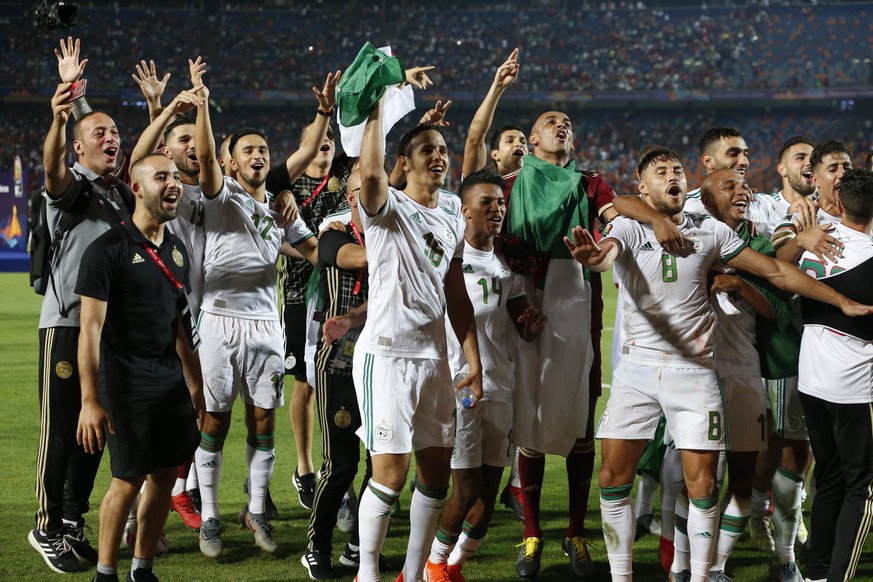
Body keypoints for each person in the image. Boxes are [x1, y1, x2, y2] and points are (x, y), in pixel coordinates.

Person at [564, 146, 873, 582]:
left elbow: (776, 272)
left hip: (695, 372)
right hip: (637, 368)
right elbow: (606, 252)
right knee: (613, 475)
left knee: (705, 485)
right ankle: (622, 576)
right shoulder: (630, 224)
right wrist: (593, 257)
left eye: (677, 169)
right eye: (661, 172)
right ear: (643, 186)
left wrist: (840, 300)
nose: (672, 175)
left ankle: (703, 574)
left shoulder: (709, 231)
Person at [353, 97, 482, 582]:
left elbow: (456, 294)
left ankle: (413, 573)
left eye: (443, 148)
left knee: (434, 475)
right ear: (403, 164)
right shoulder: (387, 206)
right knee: (390, 476)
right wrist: (375, 115)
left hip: (436, 360)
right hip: (386, 356)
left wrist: (472, 358)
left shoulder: (451, 215)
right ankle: (367, 573)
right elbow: (369, 177)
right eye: (427, 148)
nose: (440, 155)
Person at [192, 79, 318, 558]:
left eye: (263, 149)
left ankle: (257, 507)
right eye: (248, 150)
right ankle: (208, 518)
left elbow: (312, 252)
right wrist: (203, 106)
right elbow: (204, 163)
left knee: (264, 420)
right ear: (231, 162)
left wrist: (361, 252)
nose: (258, 155)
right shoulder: (221, 197)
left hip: (266, 322)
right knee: (215, 420)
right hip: (220, 320)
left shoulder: (280, 208)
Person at [75, 152, 204, 582]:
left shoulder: (178, 251)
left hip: (169, 382)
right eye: (161, 177)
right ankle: (106, 573)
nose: (174, 184)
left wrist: (196, 385)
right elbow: (89, 332)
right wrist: (90, 400)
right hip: (123, 382)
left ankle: (142, 569)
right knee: (127, 480)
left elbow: (181, 328)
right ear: (137, 188)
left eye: (176, 177)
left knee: (165, 479)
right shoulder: (107, 250)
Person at [29, 40, 132, 574]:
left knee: (97, 428)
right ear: (78, 150)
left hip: (106, 329)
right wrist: (62, 114)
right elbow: (51, 165)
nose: (111, 139)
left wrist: (89, 101)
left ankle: (71, 520)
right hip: (67, 325)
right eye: (101, 134)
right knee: (64, 425)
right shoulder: (71, 188)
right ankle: (44, 525)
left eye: (116, 132)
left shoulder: (116, 194)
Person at [424, 168, 547, 582]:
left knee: (489, 492)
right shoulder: (446, 261)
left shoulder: (504, 266)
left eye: (500, 202)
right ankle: (432, 566)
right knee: (464, 489)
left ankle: (454, 566)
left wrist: (531, 321)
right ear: (465, 211)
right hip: (460, 388)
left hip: (501, 386)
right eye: (486, 202)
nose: (497, 209)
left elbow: (522, 329)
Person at [699, 169, 800, 582]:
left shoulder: (757, 244)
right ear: (704, 200)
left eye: (745, 188)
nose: (742, 192)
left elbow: (775, 307)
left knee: (740, 477)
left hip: (744, 370)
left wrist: (737, 283)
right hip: (691, 370)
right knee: (689, 475)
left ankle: (717, 568)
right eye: (730, 186)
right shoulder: (686, 235)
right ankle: (684, 567)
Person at [263, 71, 348, 510]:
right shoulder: (284, 187)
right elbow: (267, 233)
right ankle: (303, 468)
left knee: (339, 378)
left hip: (340, 295)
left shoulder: (345, 178)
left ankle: (342, 468)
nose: (327, 141)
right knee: (304, 382)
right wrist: (309, 250)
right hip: (298, 295)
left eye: (331, 136)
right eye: (319, 137)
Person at [795, 168, 873, 582]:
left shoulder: (813, 239)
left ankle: (818, 571)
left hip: (811, 379)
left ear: (840, 203)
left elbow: (779, 265)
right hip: (855, 387)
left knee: (829, 478)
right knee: (861, 487)